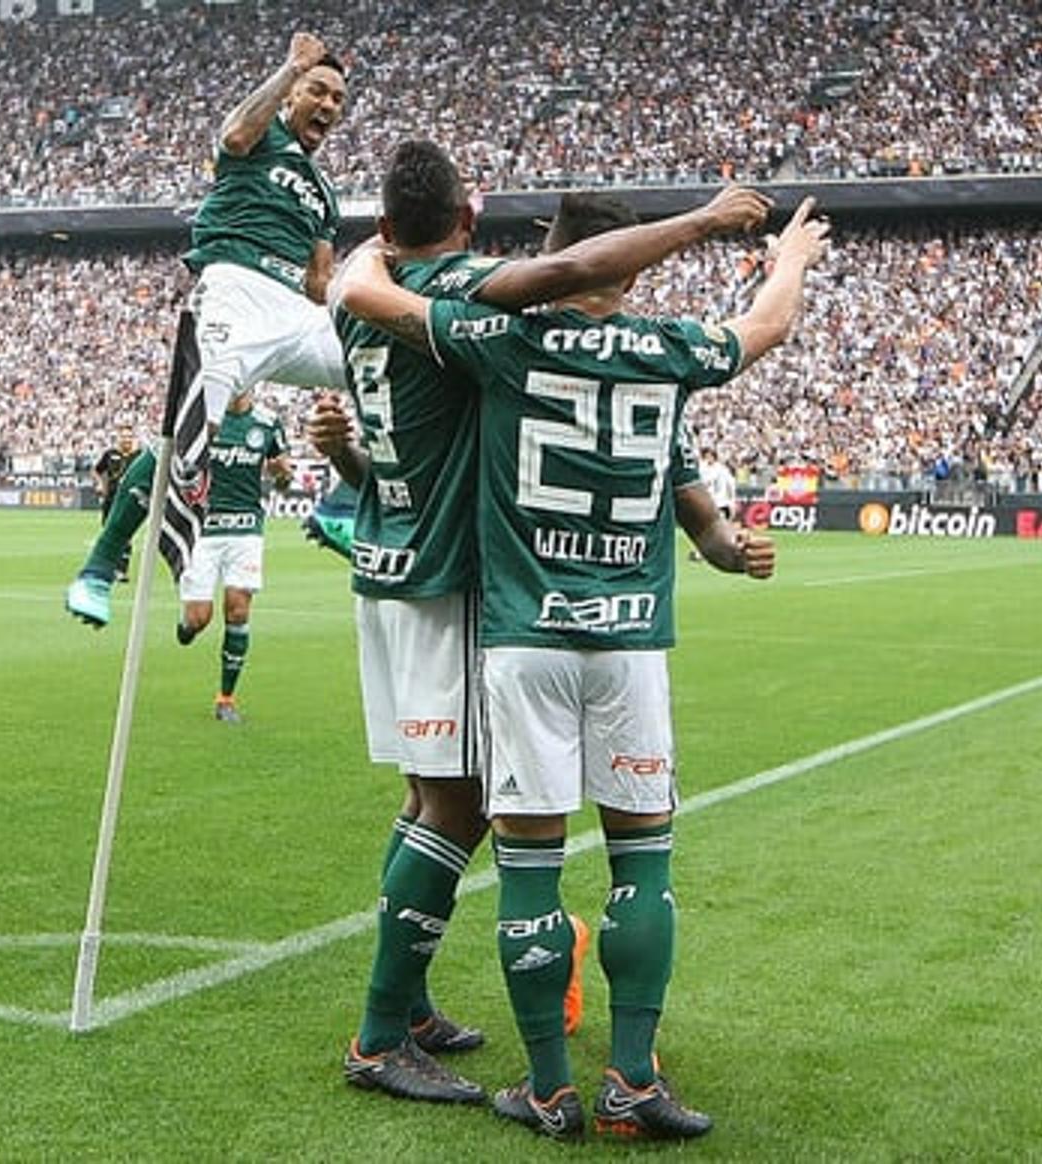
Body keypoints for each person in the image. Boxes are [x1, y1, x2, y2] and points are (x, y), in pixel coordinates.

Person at [336, 189, 828, 1139]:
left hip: (523, 640)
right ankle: (633, 1080)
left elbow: (374, 306)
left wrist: (367, 260)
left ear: (551, 264)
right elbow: (766, 325)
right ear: (632, 270)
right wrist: (792, 256)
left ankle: (551, 1089)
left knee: (528, 867)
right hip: (632, 643)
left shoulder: (497, 342)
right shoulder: (667, 351)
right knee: (643, 861)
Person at [65, 30, 349, 628]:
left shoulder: (325, 191)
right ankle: (99, 566)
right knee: (195, 421)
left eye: (337, 100)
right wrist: (287, 67)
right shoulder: (261, 135)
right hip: (234, 290)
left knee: (387, 364)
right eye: (317, 91)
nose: (327, 106)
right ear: (293, 94)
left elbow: (322, 282)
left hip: (296, 314)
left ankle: (341, 509)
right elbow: (233, 134)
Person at [175, 388, 292, 722]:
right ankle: (187, 625)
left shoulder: (268, 424)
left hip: (246, 530)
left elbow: (282, 480)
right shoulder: (206, 423)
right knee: (199, 618)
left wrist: (283, 477)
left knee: (238, 611)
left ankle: (226, 699)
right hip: (206, 530)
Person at [91, 426, 140, 576]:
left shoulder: (138, 455)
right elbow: (96, 470)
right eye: (124, 437)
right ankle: (110, 565)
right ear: (119, 439)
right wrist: (100, 483)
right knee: (108, 532)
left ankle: (122, 570)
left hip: (129, 500)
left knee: (127, 534)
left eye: (129, 437)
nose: (126, 440)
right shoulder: (110, 454)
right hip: (111, 499)